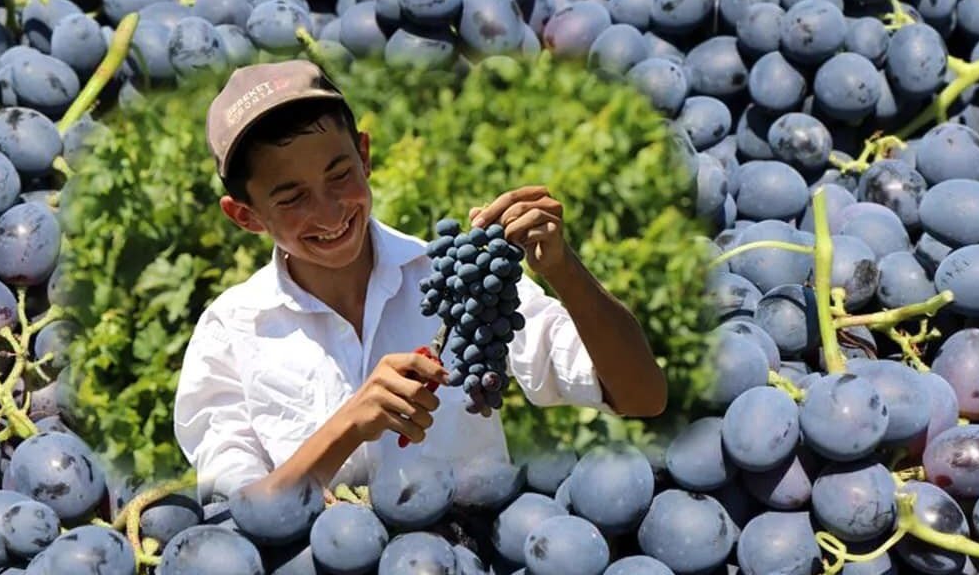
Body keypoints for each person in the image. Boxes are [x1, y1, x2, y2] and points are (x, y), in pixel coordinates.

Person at [173, 59, 667, 505]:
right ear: (245, 216)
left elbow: (641, 396)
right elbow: (242, 519)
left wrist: (563, 270)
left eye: (340, 174)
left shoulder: (458, 278)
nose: (329, 211)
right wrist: (350, 424)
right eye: (291, 198)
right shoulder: (231, 335)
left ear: (364, 156)